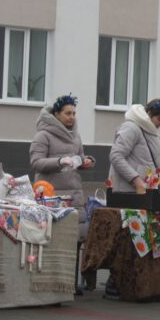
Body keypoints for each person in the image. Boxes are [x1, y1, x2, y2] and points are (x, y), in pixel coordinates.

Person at [29, 94, 95, 241]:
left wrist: (86, 162)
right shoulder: (43, 135)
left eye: (74, 113)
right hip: (50, 197)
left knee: (76, 238)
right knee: (53, 240)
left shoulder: (76, 136)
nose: (72, 117)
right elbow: (36, 162)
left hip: (74, 196)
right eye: (67, 113)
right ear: (56, 114)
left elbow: (79, 157)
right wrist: (59, 162)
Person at [108, 99, 160, 192]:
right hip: (127, 191)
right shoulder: (131, 127)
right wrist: (136, 180)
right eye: (159, 119)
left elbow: (150, 163)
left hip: (144, 191)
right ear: (149, 113)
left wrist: (159, 181)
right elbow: (116, 156)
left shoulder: (154, 131)